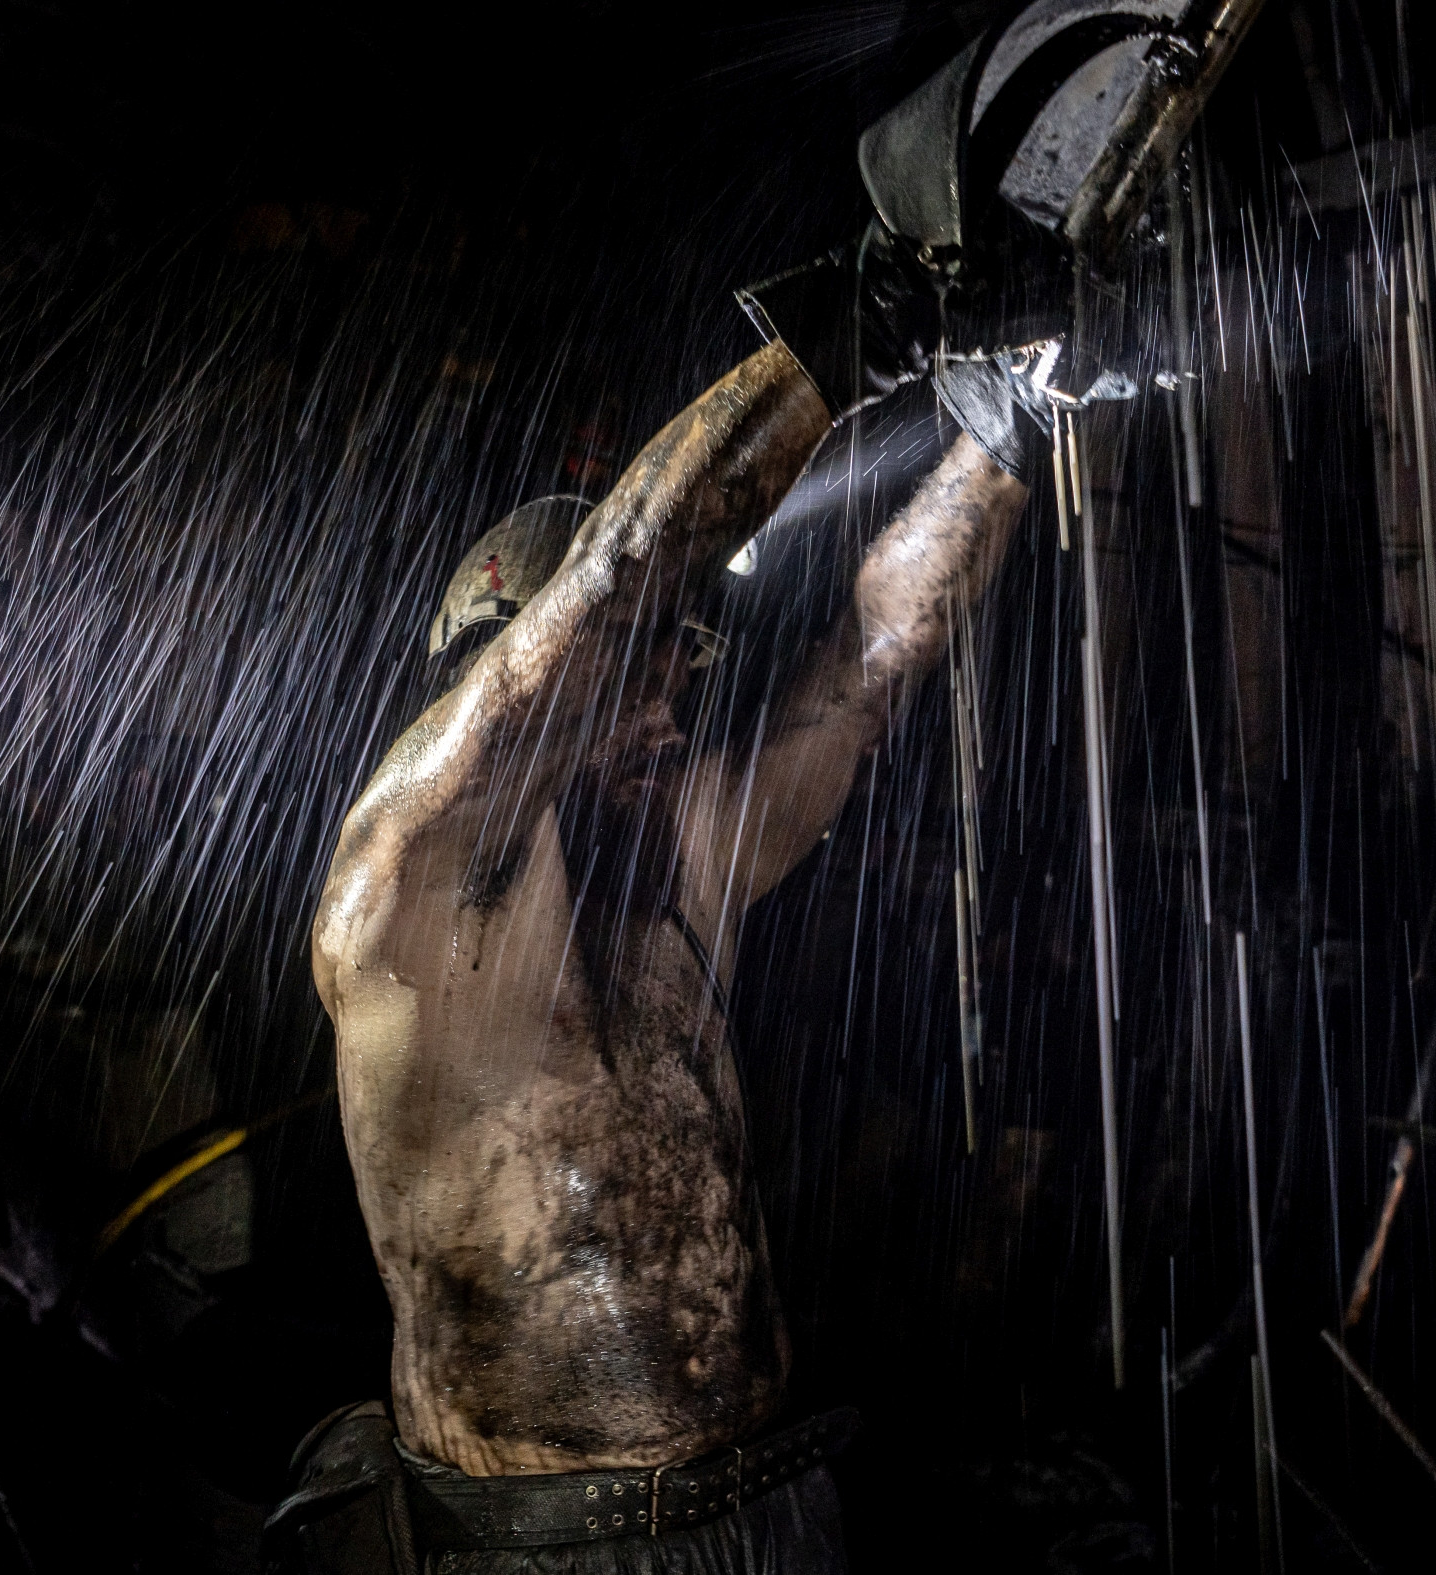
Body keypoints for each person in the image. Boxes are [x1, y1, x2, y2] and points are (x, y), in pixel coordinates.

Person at [273, 3, 1246, 1565]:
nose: (678, 707)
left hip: (768, 1507)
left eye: (684, 672)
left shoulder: (670, 873)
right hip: (552, 1542)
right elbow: (620, 570)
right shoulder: (405, 896)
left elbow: (868, 663)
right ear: (517, 678)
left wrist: (1015, 413)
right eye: (647, 671)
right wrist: (855, 315)